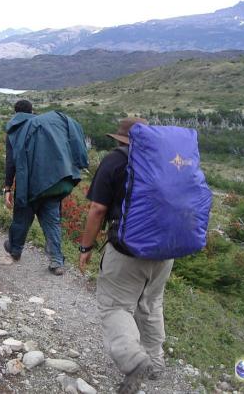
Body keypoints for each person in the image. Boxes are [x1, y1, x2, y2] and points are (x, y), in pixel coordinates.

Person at [79, 117, 173, 394]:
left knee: (115, 306)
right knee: (151, 303)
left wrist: (86, 247)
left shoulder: (116, 160)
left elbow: (97, 209)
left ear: (121, 140)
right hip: (166, 250)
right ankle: (155, 363)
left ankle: (133, 361)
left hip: (127, 250)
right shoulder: (168, 160)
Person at [3, 100, 88, 275]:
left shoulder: (15, 130)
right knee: (52, 222)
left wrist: (7, 187)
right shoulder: (45, 126)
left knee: (21, 218)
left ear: (15, 112)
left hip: (29, 185)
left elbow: (10, 163)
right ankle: (56, 261)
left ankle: (15, 251)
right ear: (32, 111)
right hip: (53, 183)